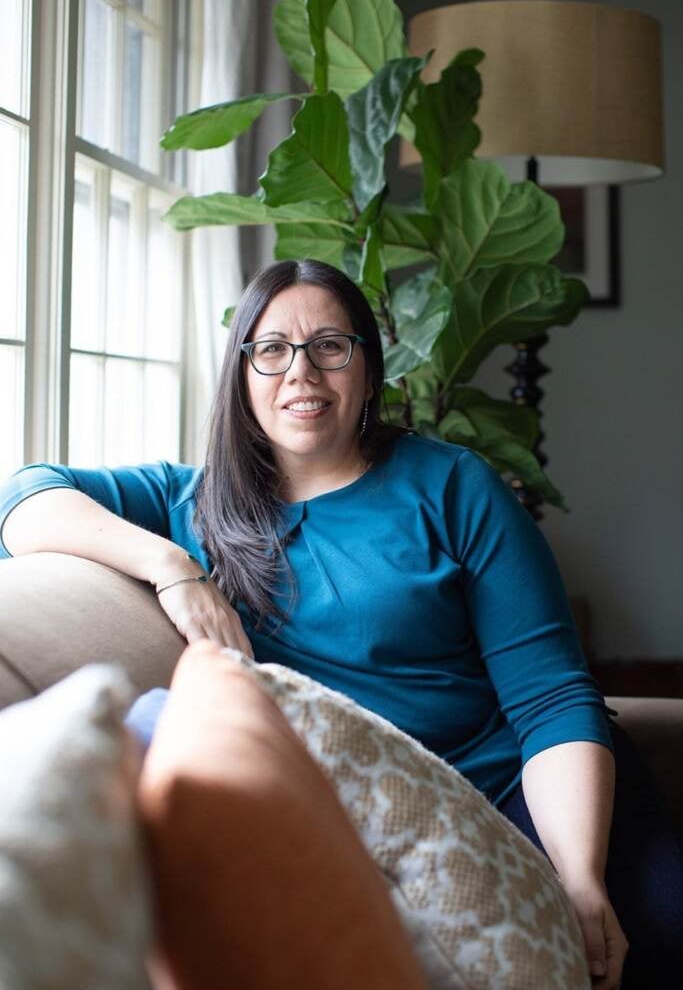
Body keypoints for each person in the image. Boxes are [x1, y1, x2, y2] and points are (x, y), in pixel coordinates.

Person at [1, 259, 681, 988]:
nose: (302, 372)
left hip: (522, 783)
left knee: (656, 938)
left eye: (330, 345)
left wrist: (576, 874)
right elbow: (25, 495)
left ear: (367, 366)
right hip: (387, 814)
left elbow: (546, 696)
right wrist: (172, 566)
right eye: (271, 349)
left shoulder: (453, 485)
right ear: (241, 372)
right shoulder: (186, 502)